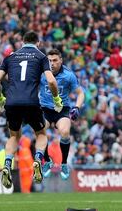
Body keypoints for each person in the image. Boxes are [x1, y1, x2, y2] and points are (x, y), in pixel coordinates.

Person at [0, 31, 61, 189]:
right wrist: (57, 99)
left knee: (14, 136)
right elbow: (51, 81)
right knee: (41, 134)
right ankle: (38, 159)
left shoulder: (10, 57)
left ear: (22, 42)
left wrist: (0, 98)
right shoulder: (41, 56)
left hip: (12, 102)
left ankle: (8, 164)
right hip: (31, 102)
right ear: (38, 43)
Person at [39, 49, 84, 180]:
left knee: (64, 132)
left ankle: (64, 163)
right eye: (49, 61)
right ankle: (47, 161)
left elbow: (80, 93)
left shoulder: (69, 75)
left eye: (55, 60)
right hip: (45, 108)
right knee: (39, 130)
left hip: (62, 109)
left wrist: (77, 107)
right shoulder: (41, 72)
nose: (52, 63)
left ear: (61, 60)